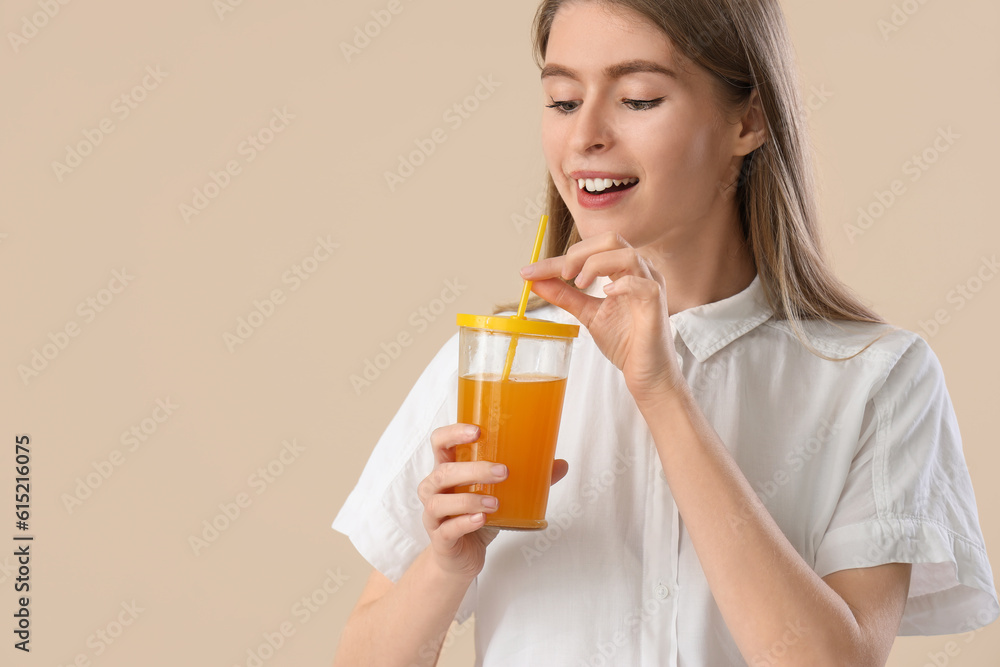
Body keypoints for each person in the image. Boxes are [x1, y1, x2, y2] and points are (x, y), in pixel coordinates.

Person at [331, 0, 999, 664]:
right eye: (563, 100)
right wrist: (447, 566)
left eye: (639, 99)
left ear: (750, 118)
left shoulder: (875, 377)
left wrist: (662, 392)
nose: (584, 134)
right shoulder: (495, 365)